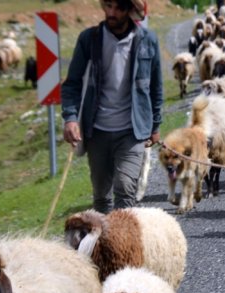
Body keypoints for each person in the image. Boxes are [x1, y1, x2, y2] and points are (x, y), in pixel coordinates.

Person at [61, 0, 163, 213]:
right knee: (101, 196)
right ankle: (105, 244)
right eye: (108, 6)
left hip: (132, 130)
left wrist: (155, 124)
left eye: (118, 8)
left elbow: (156, 86)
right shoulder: (89, 39)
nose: (111, 12)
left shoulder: (147, 40)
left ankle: (124, 243)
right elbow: (72, 83)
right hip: (97, 131)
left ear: (129, 10)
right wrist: (70, 118)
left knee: (125, 188)